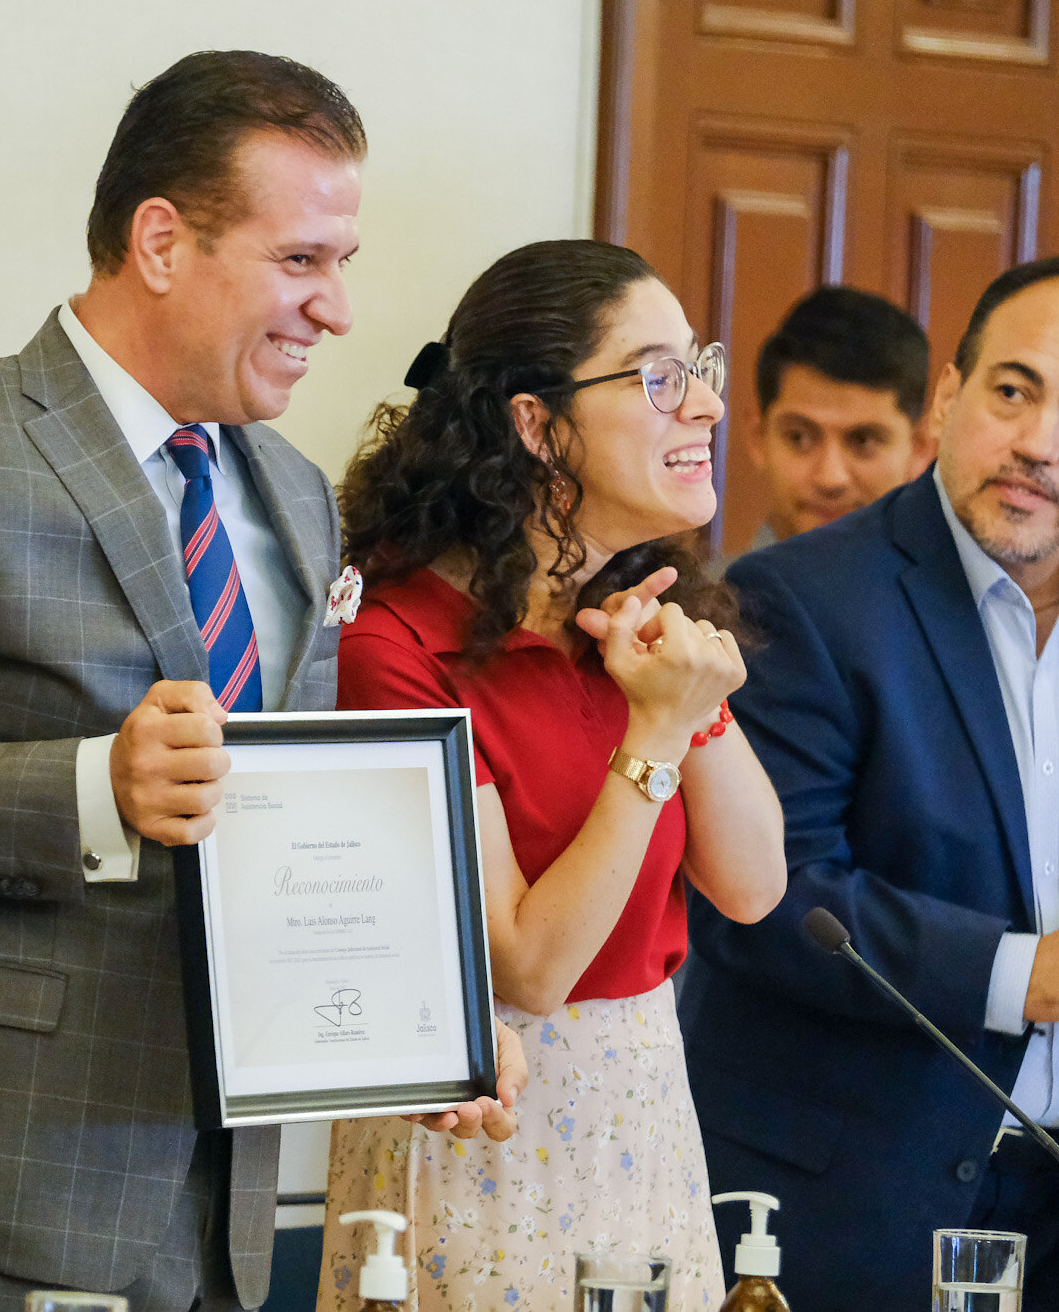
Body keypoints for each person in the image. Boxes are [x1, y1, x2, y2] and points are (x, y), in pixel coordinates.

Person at [0, 51, 522, 1311]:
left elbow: (291, 821)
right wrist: (86, 788)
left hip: (222, 1217)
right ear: (161, 242)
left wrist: (414, 1015)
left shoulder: (290, 493)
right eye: (300, 261)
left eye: (341, 262)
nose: (336, 309)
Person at [683, 256, 1059, 1311]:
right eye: (1010, 391)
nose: (1036, 442)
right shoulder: (794, 600)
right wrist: (1023, 973)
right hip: (837, 1200)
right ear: (946, 398)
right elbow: (765, 903)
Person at [316, 240, 787, 1312]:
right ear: (534, 424)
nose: (706, 406)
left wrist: (686, 704)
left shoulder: (629, 620)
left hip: (645, 1110)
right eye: (658, 377)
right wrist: (655, 736)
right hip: (485, 1138)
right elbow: (529, 965)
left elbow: (754, 888)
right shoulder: (394, 644)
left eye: (698, 368)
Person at [731, 285, 933, 562]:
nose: (830, 478)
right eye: (799, 438)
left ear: (920, 448)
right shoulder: (683, 604)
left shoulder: (968, 602)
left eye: (863, 441)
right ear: (758, 437)